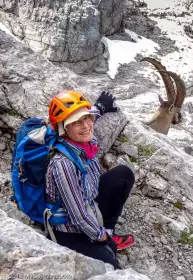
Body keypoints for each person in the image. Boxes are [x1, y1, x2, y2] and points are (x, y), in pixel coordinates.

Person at [46, 90, 135, 269]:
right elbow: (78, 216)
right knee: (111, 265)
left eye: (86, 118)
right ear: (64, 129)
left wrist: (100, 107)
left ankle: (109, 229)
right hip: (68, 229)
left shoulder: (84, 141)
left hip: (88, 203)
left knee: (123, 174)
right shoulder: (63, 164)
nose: (86, 125)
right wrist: (101, 237)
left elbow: (86, 117)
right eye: (77, 122)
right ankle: (105, 236)